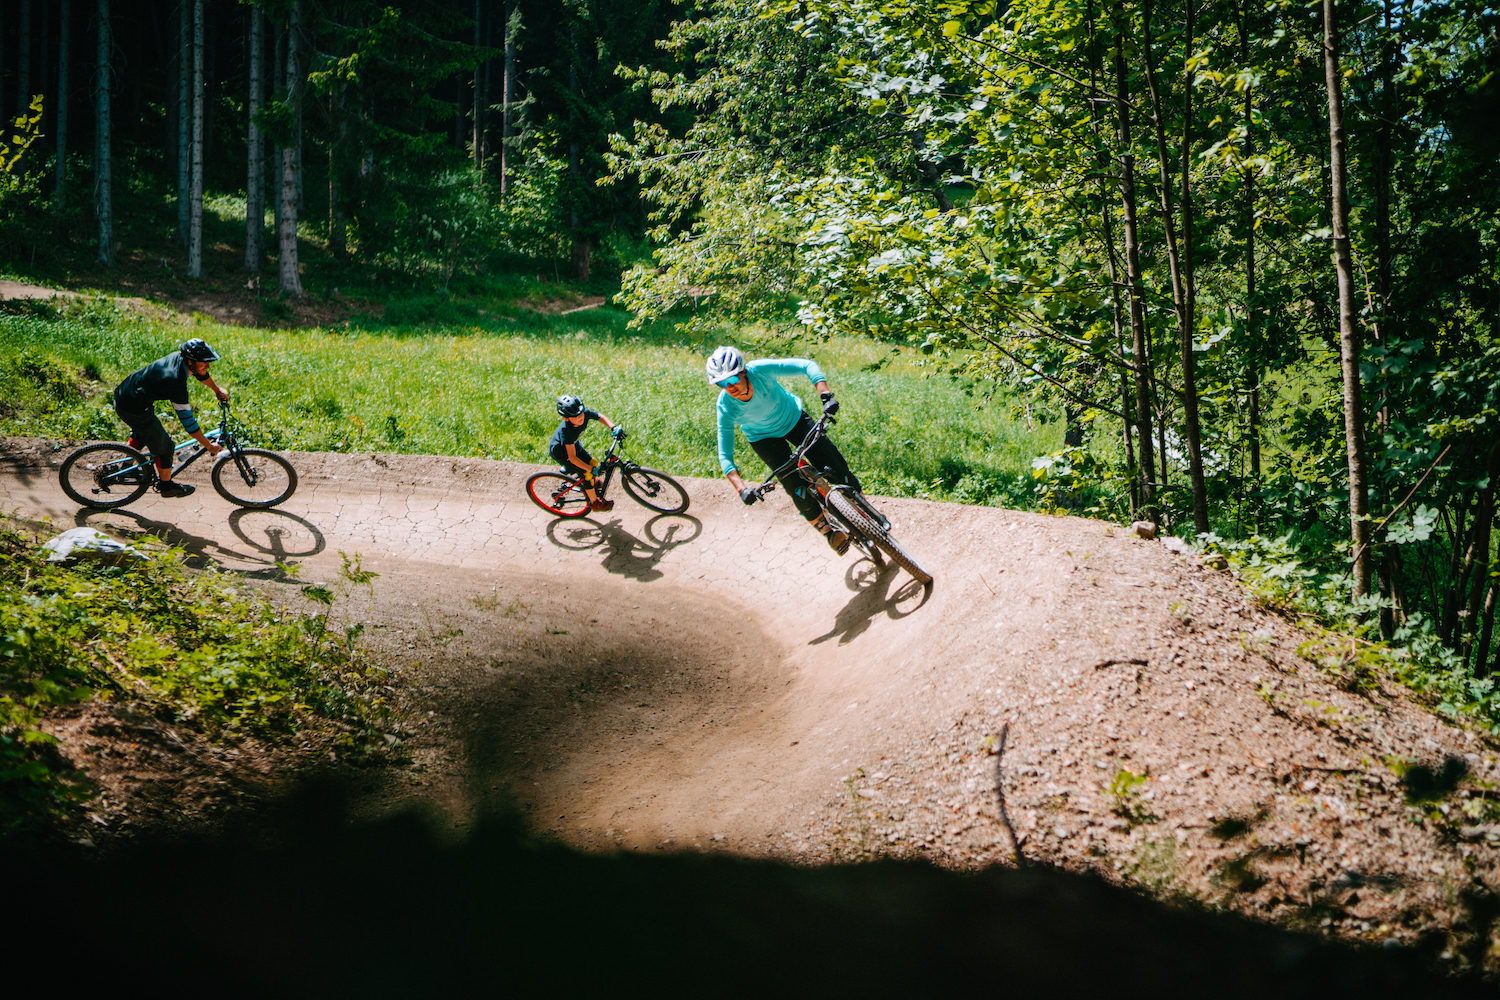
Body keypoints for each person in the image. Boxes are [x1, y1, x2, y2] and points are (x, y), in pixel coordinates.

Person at [706, 346, 859, 554]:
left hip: (794, 419)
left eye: (731, 379)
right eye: (721, 384)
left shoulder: (759, 371)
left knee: (833, 464)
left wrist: (825, 395)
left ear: (743, 372)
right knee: (794, 486)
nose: (729, 387)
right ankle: (828, 531)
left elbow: (807, 365)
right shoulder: (725, 407)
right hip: (764, 439)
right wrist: (742, 489)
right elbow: (725, 455)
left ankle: (860, 507)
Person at [113, 338, 230, 499]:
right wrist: (209, 446)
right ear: (191, 361)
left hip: (128, 394)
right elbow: (188, 422)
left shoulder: (181, 358)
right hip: (132, 405)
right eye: (204, 362)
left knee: (144, 432)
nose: (208, 366)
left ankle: (126, 468)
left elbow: (200, 373)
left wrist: (217, 390)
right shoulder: (174, 380)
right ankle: (166, 486)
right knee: (166, 447)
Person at [549, 394, 623, 512]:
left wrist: (613, 427)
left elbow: (600, 417)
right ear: (566, 418)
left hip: (574, 445)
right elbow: (572, 458)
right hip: (563, 453)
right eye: (576, 416)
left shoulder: (583, 414)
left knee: (591, 462)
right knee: (586, 472)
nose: (580, 417)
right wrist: (590, 470)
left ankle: (592, 481)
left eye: (581, 413)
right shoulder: (566, 432)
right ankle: (595, 503)